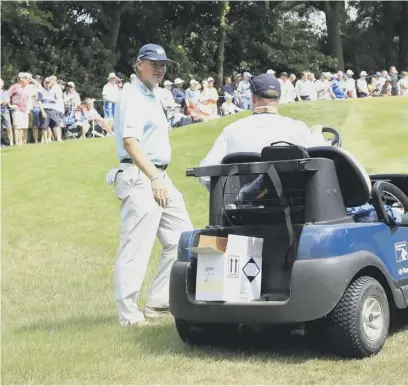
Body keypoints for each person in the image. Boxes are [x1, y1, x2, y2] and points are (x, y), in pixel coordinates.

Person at [109, 43, 194, 326]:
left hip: (158, 175)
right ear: (138, 64)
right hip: (141, 175)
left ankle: (159, 301)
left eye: (163, 65)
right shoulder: (132, 94)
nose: (160, 69)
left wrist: (159, 177)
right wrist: (154, 177)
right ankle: (128, 314)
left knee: (181, 237)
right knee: (137, 246)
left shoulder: (152, 95)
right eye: (154, 63)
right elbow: (130, 142)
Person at [199, 73, 337, 189]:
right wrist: (317, 134)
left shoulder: (231, 131)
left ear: (253, 98)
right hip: (294, 214)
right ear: (278, 99)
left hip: (241, 215)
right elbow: (324, 162)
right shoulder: (298, 129)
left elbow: (205, 174)